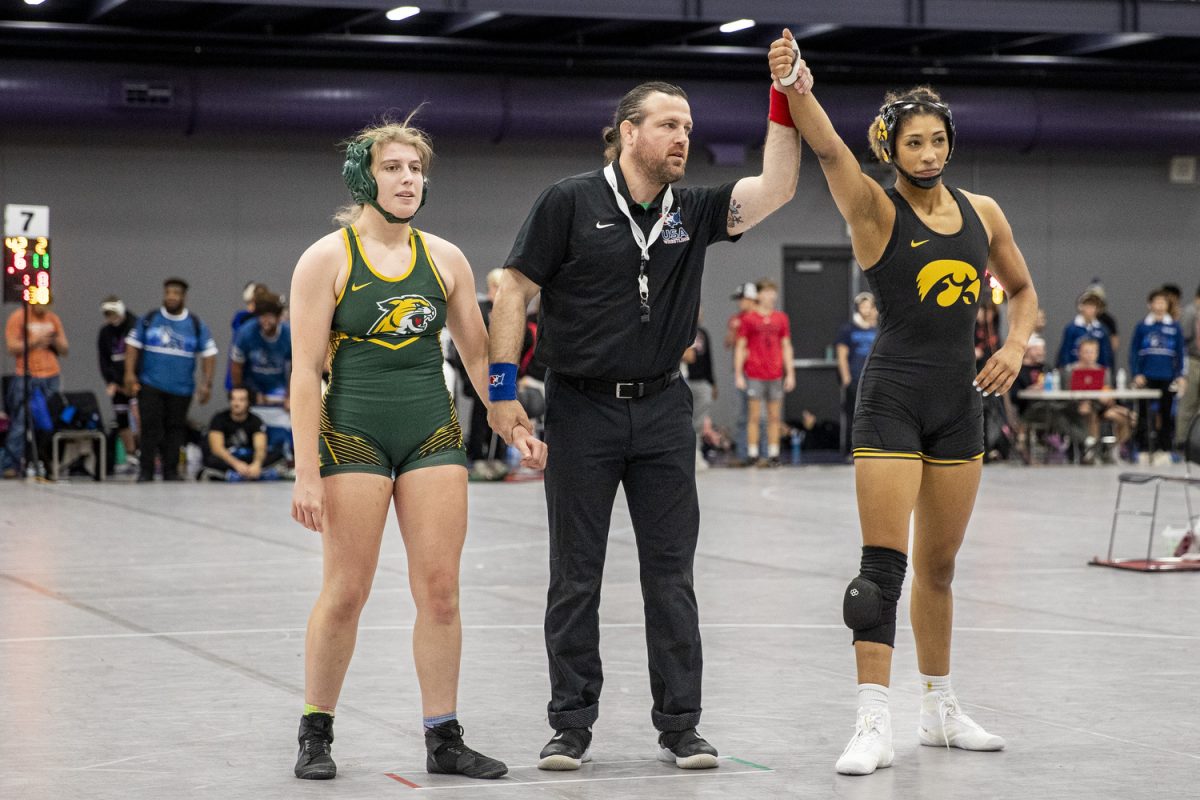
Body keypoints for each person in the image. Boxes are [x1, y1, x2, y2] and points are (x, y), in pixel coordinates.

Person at [487, 65, 807, 771]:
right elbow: (512, 287)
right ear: (628, 132)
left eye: (688, 128)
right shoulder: (567, 202)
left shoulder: (690, 212)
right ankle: (570, 725)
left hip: (664, 407)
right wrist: (502, 389)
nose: (682, 138)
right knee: (575, 574)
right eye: (669, 124)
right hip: (580, 408)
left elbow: (777, 187)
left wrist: (785, 95)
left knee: (671, 575)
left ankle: (681, 726)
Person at [771, 30, 1037, 775]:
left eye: (938, 140)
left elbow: (1022, 291)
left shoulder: (984, 211)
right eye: (913, 142)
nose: (927, 153)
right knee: (881, 567)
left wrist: (1014, 346)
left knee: (942, 567)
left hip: (960, 401)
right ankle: (871, 720)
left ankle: (939, 709)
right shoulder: (874, 210)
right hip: (891, 398)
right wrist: (797, 88)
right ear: (891, 149)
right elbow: (827, 152)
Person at [287, 116, 543, 781]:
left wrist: (510, 420)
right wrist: (306, 471)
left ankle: (444, 736)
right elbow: (304, 370)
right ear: (362, 176)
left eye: (416, 169)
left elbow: (480, 354)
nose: (408, 179)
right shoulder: (327, 258)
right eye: (394, 168)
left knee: (441, 590)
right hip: (354, 435)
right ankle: (316, 729)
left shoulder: (446, 259)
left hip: (432, 431)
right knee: (347, 590)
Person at [124, 278, 217, 482]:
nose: (171, 297)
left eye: (176, 293)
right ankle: (146, 469)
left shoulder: (195, 323)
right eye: (168, 293)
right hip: (151, 384)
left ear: (183, 297)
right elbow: (132, 345)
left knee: (175, 429)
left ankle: (171, 470)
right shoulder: (149, 319)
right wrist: (129, 374)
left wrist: (206, 383)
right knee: (150, 427)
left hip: (181, 388)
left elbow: (209, 353)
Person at [2, 303, 69, 478]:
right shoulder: (19, 317)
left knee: (47, 423)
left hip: (51, 375)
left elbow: (65, 349)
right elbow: (11, 347)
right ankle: (10, 464)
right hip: (27, 376)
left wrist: (53, 340)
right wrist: (35, 341)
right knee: (21, 422)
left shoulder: (53, 319)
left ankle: (45, 462)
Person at [735, 279, 795, 466]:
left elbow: (786, 346)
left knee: (774, 415)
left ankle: (773, 453)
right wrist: (738, 374)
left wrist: (790, 373)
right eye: (768, 292)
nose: (772, 296)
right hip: (754, 372)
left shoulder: (781, 318)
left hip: (775, 373)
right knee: (754, 415)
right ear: (759, 295)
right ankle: (753, 454)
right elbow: (740, 346)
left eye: (773, 292)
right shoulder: (749, 319)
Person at [1129, 288, 1186, 461]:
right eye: (1156, 302)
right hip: (1147, 375)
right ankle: (1143, 447)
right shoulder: (1142, 326)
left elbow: (1180, 353)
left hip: (1167, 376)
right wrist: (1136, 373)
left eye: (1163, 302)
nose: (1160, 305)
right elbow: (1134, 352)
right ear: (1150, 304)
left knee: (1167, 413)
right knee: (1144, 414)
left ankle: (1166, 448)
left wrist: (1180, 375)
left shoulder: (1174, 327)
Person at [1063, 337, 1134, 464]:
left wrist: (1107, 397)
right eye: (1086, 352)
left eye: (1093, 352)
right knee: (1089, 411)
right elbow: (1065, 394)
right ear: (1079, 353)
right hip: (1077, 407)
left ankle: (1113, 450)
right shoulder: (1070, 371)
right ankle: (1091, 450)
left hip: (1101, 407)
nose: (1089, 356)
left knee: (1128, 417)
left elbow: (1108, 392)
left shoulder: (1103, 372)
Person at [199, 386, 286, 481]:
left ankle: (249, 473)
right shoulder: (219, 419)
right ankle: (250, 474)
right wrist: (236, 464)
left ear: (248, 402)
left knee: (277, 454)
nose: (236, 403)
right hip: (229, 458)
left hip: (248, 457)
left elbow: (260, 447)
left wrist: (256, 464)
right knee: (210, 460)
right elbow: (217, 448)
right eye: (233, 399)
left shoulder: (255, 420)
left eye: (241, 400)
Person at [98, 297, 139, 472]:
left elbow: (142, 355)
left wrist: (136, 379)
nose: (111, 317)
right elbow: (103, 360)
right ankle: (130, 454)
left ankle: (145, 452)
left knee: (140, 417)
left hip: (136, 381)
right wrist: (111, 381)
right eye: (107, 314)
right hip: (117, 382)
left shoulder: (135, 327)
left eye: (113, 313)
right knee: (122, 418)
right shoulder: (105, 333)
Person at [835, 292, 879, 454]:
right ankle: (851, 447)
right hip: (854, 377)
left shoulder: (878, 329)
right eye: (863, 306)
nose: (866, 310)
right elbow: (841, 355)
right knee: (853, 414)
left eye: (869, 306)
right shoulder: (848, 329)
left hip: (874, 378)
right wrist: (846, 377)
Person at [725, 282, 759, 464]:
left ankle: (761, 454)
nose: (739, 303)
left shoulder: (760, 317)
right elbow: (728, 344)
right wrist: (733, 329)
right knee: (742, 414)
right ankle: (743, 454)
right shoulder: (737, 319)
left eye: (741, 299)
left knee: (760, 416)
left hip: (760, 371)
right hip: (743, 371)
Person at [681, 307, 716, 469]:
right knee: (683, 420)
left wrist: (712, 382)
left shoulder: (702, 333)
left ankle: (696, 453)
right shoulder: (679, 328)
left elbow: (706, 359)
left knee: (699, 421)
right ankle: (684, 456)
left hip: (700, 381)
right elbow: (688, 356)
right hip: (682, 380)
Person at [1057, 290, 1113, 369]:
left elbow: (1106, 354)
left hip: (1096, 372)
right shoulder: (1071, 328)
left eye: (1093, 306)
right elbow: (1065, 351)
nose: (1090, 309)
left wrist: (1105, 370)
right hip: (1074, 370)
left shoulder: (1102, 330)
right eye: (1087, 305)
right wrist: (1067, 369)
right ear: (1081, 307)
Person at [1174, 282, 1200, 452]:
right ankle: (1182, 442)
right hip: (1193, 361)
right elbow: (1181, 341)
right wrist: (1181, 371)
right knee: (1188, 404)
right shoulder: (1190, 313)